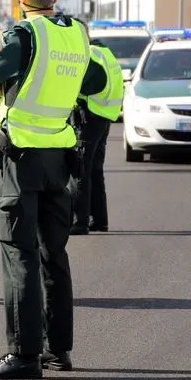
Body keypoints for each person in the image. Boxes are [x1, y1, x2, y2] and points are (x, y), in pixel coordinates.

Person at [0, 0, 108, 379]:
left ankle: (23, 355)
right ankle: (58, 349)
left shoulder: (22, 35)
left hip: (23, 159)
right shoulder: (77, 34)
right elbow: (95, 82)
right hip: (61, 159)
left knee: (19, 256)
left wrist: (8, 80)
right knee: (54, 254)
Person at [68, 40, 124, 235]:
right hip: (104, 116)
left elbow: (80, 85)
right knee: (94, 170)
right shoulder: (106, 53)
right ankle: (99, 220)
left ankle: (79, 221)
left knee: (80, 169)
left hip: (88, 117)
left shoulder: (87, 55)